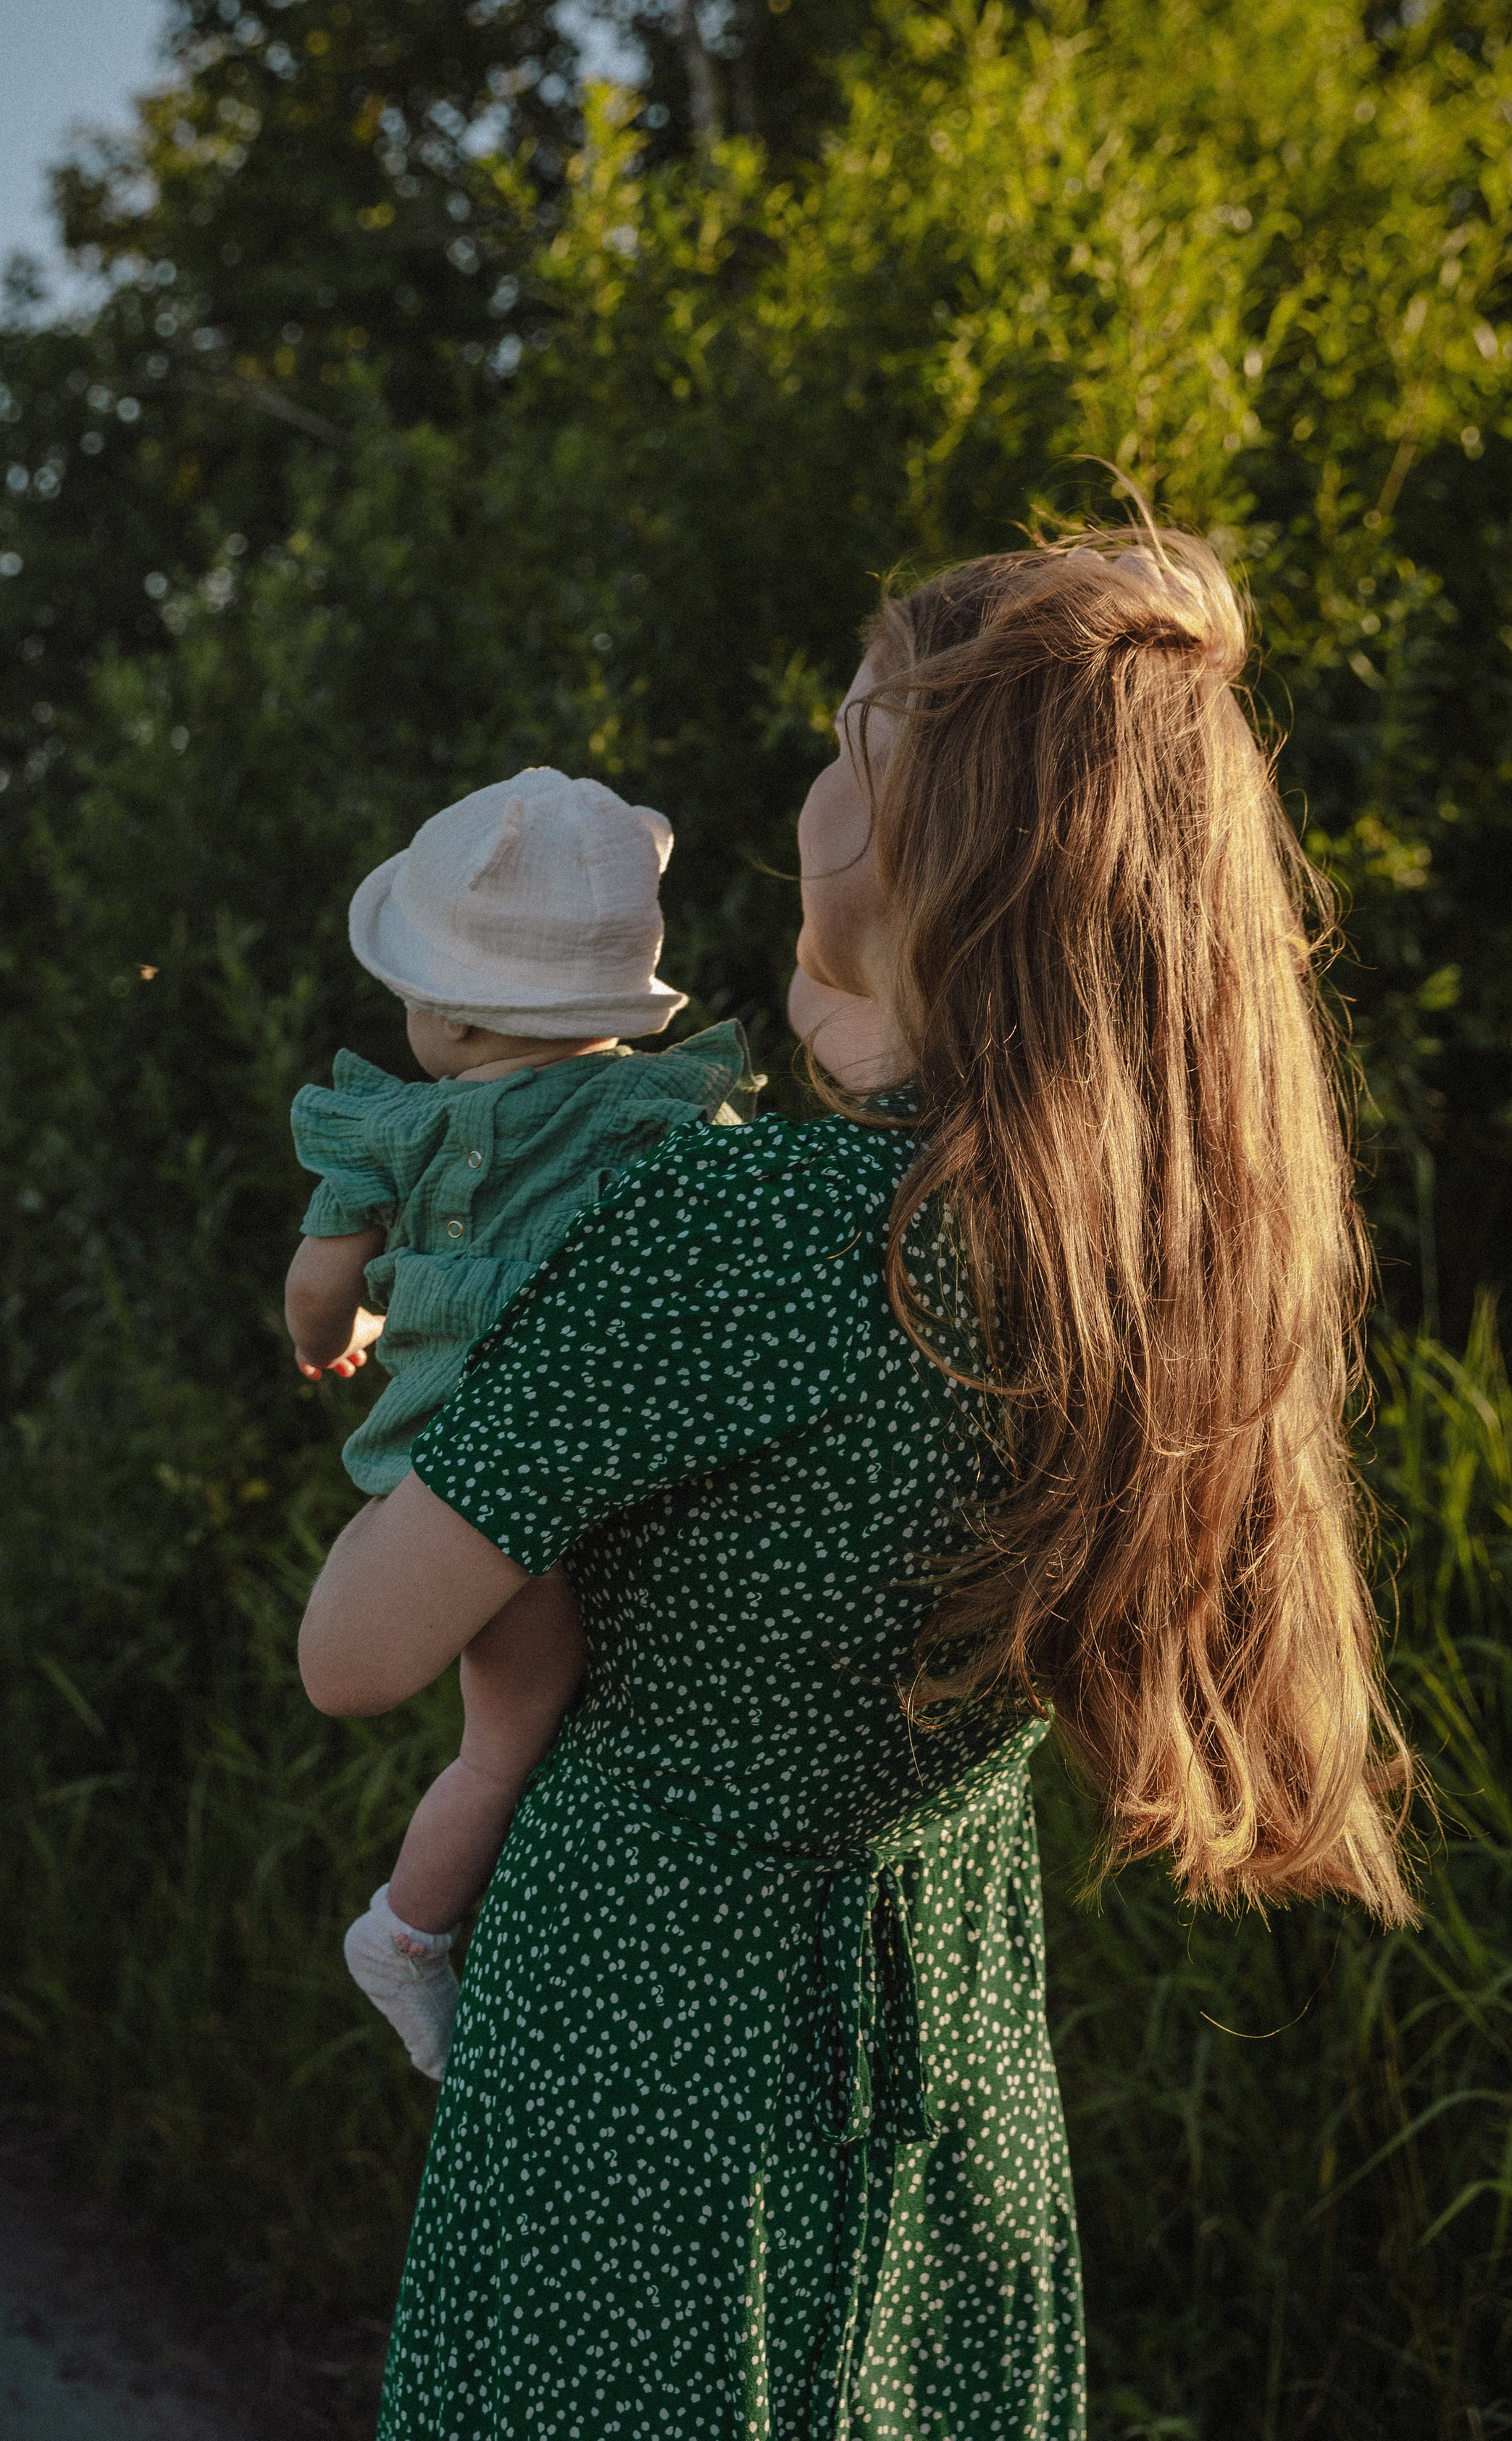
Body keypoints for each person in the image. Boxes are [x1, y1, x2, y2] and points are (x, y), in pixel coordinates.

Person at [299, 525, 1413, 2440]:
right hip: (949, 2055)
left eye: (854, 742)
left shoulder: (738, 1239)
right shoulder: (1161, 1266)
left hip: (646, 2080)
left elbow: (354, 1651)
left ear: (915, 846)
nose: (816, 783)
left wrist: (445, 1332)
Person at [284, 766, 755, 2077]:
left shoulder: (394, 1130)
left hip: (460, 1478)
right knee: (538, 1715)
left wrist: (337, 1345)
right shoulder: (663, 1112)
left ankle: (407, 1931)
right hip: (600, 1474)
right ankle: (414, 1928)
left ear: (443, 1012)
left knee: (503, 1738)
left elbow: (320, 1288)